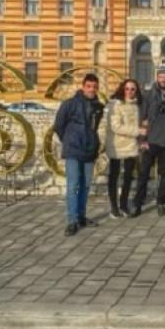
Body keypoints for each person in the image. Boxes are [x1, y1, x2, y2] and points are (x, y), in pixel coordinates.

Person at [53, 73, 104, 235]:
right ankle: (72, 220)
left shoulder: (98, 106)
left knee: (86, 185)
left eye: (94, 87)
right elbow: (59, 125)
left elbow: (95, 128)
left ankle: (81, 216)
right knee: (73, 185)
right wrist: (69, 139)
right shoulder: (70, 104)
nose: (92, 89)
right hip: (74, 149)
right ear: (83, 86)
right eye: (89, 86)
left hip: (90, 149)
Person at [133, 65, 165, 216]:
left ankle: (161, 202)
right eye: (160, 76)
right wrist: (142, 139)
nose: (163, 79)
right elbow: (143, 117)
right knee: (144, 173)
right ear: (157, 78)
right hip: (151, 140)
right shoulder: (148, 95)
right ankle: (138, 203)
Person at [105, 78, 142, 218]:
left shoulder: (136, 105)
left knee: (128, 177)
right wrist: (138, 131)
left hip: (131, 145)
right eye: (127, 89)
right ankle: (114, 207)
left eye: (133, 89)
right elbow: (115, 126)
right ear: (122, 89)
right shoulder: (115, 104)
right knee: (114, 176)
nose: (130, 92)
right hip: (117, 145)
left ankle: (124, 204)